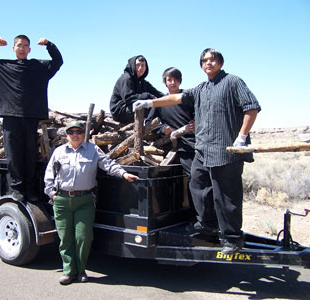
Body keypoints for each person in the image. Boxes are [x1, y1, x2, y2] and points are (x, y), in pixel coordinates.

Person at [133, 48, 261, 254]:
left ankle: (232, 238)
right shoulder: (201, 89)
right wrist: (150, 103)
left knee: (226, 196)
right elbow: (176, 98)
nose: (208, 63)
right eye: (204, 60)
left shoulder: (233, 82)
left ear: (220, 62)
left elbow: (251, 107)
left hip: (227, 150)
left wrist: (242, 137)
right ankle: (208, 224)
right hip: (204, 149)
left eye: (212, 60)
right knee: (197, 184)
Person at [44, 120, 138, 285]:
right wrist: (52, 194)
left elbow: (108, 164)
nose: (75, 135)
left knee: (83, 237)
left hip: (85, 201)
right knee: (65, 238)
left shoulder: (93, 150)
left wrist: (123, 174)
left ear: (83, 133)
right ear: (66, 135)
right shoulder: (59, 152)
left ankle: (81, 271)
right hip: (62, 201)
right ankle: (68, 272)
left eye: (78, 132)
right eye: (71, 132)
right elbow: (49, 175)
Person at [0, 35, 63, 202]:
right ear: (13, 48)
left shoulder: (38, 67)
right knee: (14, 155)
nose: (22, 48)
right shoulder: (2, 66)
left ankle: (30, 190)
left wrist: (49, 45)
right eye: (19, 45)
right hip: (10, 116)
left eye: (25, 46)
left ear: (29, 49)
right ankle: (17, 189)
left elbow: (58, 61)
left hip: (31, 117)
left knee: (30, 154)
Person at [145, 67, 196, 214]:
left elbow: (199, 116)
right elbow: (149, 124)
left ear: (180, 81)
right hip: (170, 148)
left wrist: (195, 124)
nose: (173, 82)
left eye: (175, 79)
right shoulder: (160, 102)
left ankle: (195, 216)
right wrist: (162, 129)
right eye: (169, 80)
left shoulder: (189, 98)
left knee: (195, 179)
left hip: (191, 145)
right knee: (168, 181)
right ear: (165, 82)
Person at [110, 55, 164, 123]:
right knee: (151, 108)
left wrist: (170, 98)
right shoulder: (126, 79)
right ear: (132, 66)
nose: (140, 68)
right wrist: (148, 96)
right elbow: (129, 98)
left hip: (132, 107)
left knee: (159, 106)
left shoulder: (142, 82)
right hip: (120, 110)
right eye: (137, 65)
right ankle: (152, 127)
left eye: (143, 65)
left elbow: (157, 93)